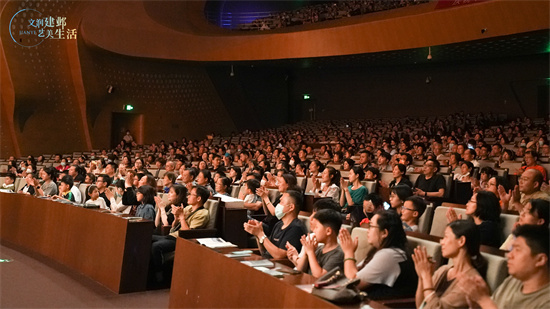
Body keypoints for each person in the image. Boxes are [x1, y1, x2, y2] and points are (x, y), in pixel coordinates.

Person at [458, 225, 550, 309]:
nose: (509, 255)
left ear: (540, 260)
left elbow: (489, 305)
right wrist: (477, 305)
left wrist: (483, 300)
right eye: (511, 250)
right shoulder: (512, 280)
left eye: (517, 250)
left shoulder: (546, 302)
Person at [339, 211, 417, 299]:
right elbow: (356, 273)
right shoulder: (380, 250)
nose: (368, 231)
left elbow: (352, 283)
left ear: (384, 233)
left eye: (371, 226)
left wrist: (348, 252)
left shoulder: (390, 255)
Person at [413, 220, 487, 309]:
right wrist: (422, 277)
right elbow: (421, 305)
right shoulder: (443, 270)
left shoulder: (470, 282)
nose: (441, 242)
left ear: (461, 241)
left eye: (446, 237)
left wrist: (426, 277)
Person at [244, 190, 307, 259]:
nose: (278, 205)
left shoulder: (296, 228)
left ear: (291, 207)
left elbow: (279, 256)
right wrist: (257, 234)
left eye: (281, 202)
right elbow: (265, 252)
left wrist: (260, 234)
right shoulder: (278, 224)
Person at [291, 209, 344, 278]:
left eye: (316, 227)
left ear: (328, 231)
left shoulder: (338, 254)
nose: (314, 230)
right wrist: (306, 253)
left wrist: (310, 252)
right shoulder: (318, 249)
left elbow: (319, 276)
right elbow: (299, 270)